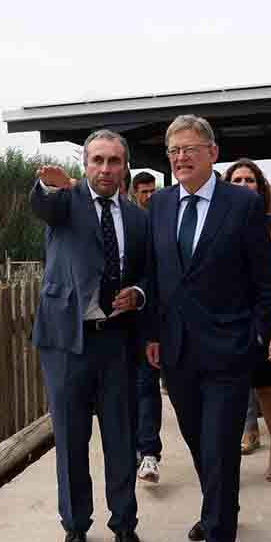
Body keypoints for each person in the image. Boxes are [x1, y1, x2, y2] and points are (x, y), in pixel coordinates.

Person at [145, 115, 271, 542]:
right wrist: (153, 334)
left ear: (212, 153)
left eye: (190, 148)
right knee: (199, 442)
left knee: (221, 447)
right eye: (173, 150)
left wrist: (257, 333)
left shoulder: (241, 204)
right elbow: (157, 277)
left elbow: (265, 280)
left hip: (228, 349)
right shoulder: (159, 204)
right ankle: (218, 509)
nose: (180, 157)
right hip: (177, 351)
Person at [30, 129, 149, 542]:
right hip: (65, 343)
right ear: (85, 164)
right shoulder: (65, 201)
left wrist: (138, 292)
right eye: (97, 160)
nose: (105, 169)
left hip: (116, 342)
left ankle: (125, 525)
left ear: (124, 167)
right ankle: (75, 528)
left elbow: (149, 271)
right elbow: (41, 203)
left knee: (121, 438)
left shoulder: (138, 218)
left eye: (113, 161)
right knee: (71, 439)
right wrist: (47, 184)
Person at [226, 160, 271, 482]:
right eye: (236, 179)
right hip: (227, 322)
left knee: (267, 393)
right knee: (229, 395)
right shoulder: (218, 224)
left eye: (249, 179)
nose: (243, 184)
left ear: (259, 186)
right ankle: (233, 452)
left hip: (264, 323)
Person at [129, 170, 162, 483]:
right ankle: (136, 450)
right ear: (134, 193)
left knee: (146, 386)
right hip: (124, 322)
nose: (149, 196)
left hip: (152, 321)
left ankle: (150, 452)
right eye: (144, 191)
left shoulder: (163, 221)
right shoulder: (126, 223)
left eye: (153, 190)